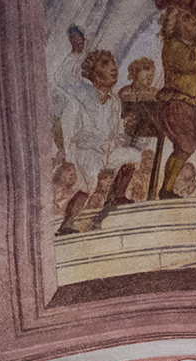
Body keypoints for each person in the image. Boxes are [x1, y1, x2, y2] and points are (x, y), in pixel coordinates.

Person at [58, 50, 144, 234]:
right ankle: (67, 224)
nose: (113, 68)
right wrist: (74, 53)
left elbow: (115, 132)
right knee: (89, 184)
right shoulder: (85, 93)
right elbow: (62, 77)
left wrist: (124, 125)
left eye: (113, 64)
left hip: (107, 150)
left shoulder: (114, 101)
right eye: (105, 64)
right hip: (89, 151)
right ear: (94, 73)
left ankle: (117, 197)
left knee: (134, 156)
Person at [157, 5, 196, 196]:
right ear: (175, 24)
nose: (195, 20)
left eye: (195, 17)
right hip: (178, 105)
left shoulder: (194, 47)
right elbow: (192, 62)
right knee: (184, 147)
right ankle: (166, 189)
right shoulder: (172, 46)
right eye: (187, 17)